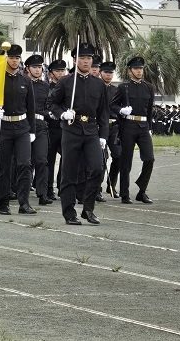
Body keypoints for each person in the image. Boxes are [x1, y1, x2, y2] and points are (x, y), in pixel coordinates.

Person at [48, 43, 109, 225]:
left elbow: (103, 112)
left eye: (89, 58)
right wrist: (62, 114)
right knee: (69, 173)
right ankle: (69, 213)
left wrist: (103, 136)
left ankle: (88, 209)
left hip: (91, 130)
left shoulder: (98, 84)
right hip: (71, 129)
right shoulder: (66, 82)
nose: (86, 61)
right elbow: (52, 103)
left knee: (97, 169)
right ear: (75, 60)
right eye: (82, 58)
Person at [0, 45, 37, 215]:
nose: (14, 61)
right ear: (6, 59)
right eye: (11, 58)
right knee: (4, 167)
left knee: (25, 164)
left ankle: (24, 203)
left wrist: (32, 131)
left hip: (22, 127)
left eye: (17, 58)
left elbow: (31, 107)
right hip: (4, 126)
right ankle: (3, 203)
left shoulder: (25, 81)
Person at [111, 56, 155, 205]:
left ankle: (142, 191)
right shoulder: (123, 87)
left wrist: (150, 128)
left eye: (141, 68)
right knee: (126, 162)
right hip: (128, 126)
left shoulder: (149, 87)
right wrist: (121, 110)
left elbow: (150, 110)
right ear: (130, 71)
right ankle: (125, 193)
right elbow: (113, 105)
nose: (139, 71)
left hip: (143, 127)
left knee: (149, 158)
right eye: (136, 68)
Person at [24, 54, 51, 205]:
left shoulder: (46, 86)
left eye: (40, 67)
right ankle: (21, 191)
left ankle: (42, 194)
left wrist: (50, 113)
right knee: (24, 162)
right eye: (34, 67)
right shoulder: (23, 82)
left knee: (42, 160)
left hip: (40, 125)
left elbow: (48, 105)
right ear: (27, 68)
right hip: (24, 125)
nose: (37, 70)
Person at [44, 59, 67, 202]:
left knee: (66, 160)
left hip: (65, 127)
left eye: (62, 70)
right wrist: (49, 114)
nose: (61, 73)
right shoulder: (46, 88)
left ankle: (62, 187)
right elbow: (44, 106)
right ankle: (48, 189)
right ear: (51, 74)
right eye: (58, 71)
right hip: (50, 127)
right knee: (49, 160)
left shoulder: (68, 87)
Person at [99, 61, 121, 198]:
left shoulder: (117, 90)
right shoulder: (96, 87)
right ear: (100, 73)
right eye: (106, 72)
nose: (109, 75)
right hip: (100, 127)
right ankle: (97, 188)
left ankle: (111, 185)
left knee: (118, 156)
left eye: (111, 73)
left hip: (114, 127)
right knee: (101, 158)